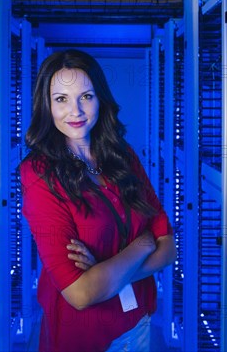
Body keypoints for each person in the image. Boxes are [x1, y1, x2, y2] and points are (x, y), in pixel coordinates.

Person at [19, 49, 176, 352]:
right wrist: (143, 245)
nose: (75, 111)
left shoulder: (121, 156)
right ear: (46, 106)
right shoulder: (39, 174)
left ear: (100, 99)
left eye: (86, 96)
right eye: (61, 99)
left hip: (138, 322)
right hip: (86, 337)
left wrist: (106, 269)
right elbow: (80, 293)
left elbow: (168, 249)